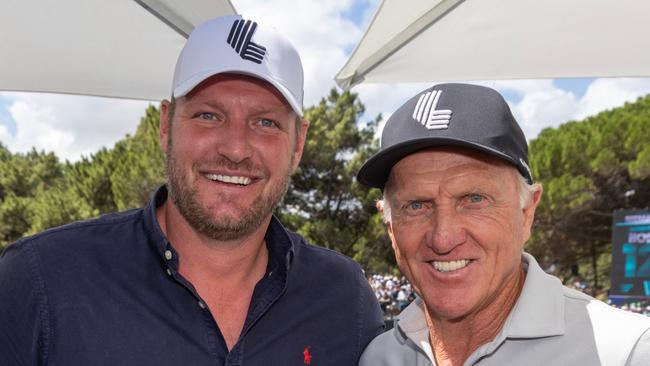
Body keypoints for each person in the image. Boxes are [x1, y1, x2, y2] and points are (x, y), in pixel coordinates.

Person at [0, 15, 383, 365]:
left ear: (298, 144)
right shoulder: (40, 283)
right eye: (208, 115)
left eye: (265, 122)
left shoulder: (344, 300)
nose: (235, 148)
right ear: (166, 125)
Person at [356, 83, 650, 365]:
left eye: (474, 199)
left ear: (527, 212)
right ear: (391, 227)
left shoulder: (627, 353)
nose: (443, 238)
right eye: (416, 205)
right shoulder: (380, 357)